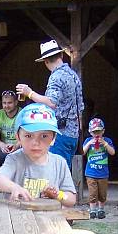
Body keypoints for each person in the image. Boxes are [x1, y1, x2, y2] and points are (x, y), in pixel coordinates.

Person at [16, 39, 84, 169]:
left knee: (55, 175)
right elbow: (80, 107)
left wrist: (29, 93)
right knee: (63, 173)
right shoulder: (73, 75)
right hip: (73, 134)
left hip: (59, 134)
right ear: (61, 55)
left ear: (46, 61)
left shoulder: (56, 76)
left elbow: (52, 102)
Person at [0, 103, 76, 207]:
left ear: (53, 139)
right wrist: (14, 187)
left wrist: (58, 195)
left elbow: (71, 199)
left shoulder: (59, 163)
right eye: (28, 136)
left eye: (44, 136)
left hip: (49, 219)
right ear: (18, 138)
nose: (35, 142)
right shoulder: (15, 159)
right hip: (19, 218)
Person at [82, 117, 116, 219]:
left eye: (99, 131)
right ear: (90, 132)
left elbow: (112, 152)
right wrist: (89, 144)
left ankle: (101, 209)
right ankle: (92, 210)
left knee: (102, 193)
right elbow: (82, 152)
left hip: (103, 173)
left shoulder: (107, 141)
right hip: (91, 173)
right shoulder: (88, 141)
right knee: (92, 193)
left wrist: (105, 144)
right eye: (94, 132)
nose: (97, 134)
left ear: (103, 131)